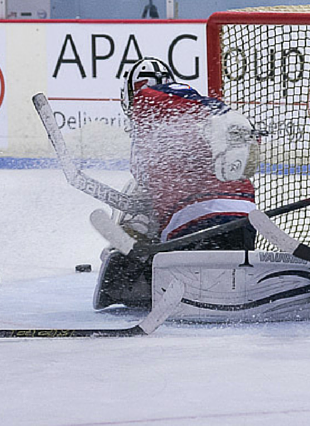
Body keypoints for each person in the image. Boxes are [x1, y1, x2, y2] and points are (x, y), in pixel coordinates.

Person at [93, 57, 260, 309]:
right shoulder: (205, 119)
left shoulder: (148, 102)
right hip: (243, 222)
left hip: (190, 232)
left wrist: (123, 253)